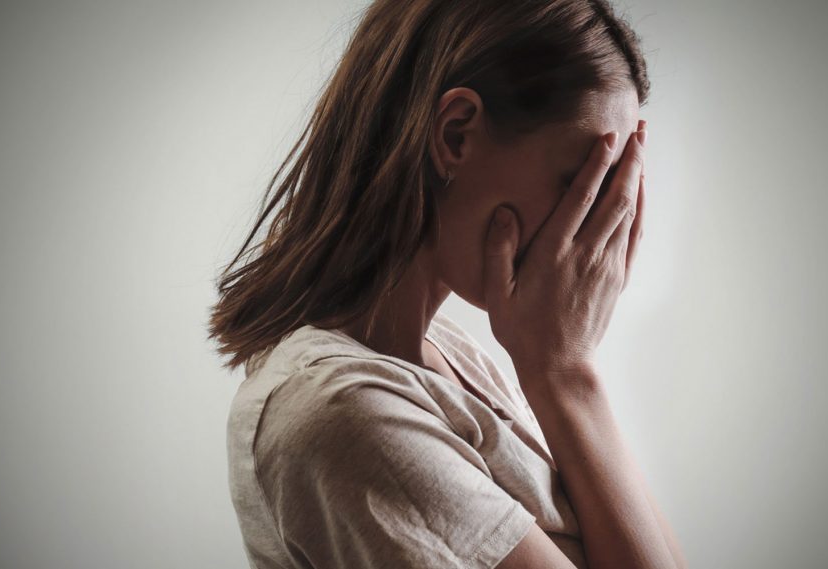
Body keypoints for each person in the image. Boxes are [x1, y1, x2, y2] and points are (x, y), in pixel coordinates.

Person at [208, 0, 686, 567]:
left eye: (611, 192)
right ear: (455, 134)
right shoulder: (342, 414)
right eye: (577, 183)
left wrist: (563, 371)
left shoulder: (448, 358)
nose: (596, 229)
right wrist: (565, 372)